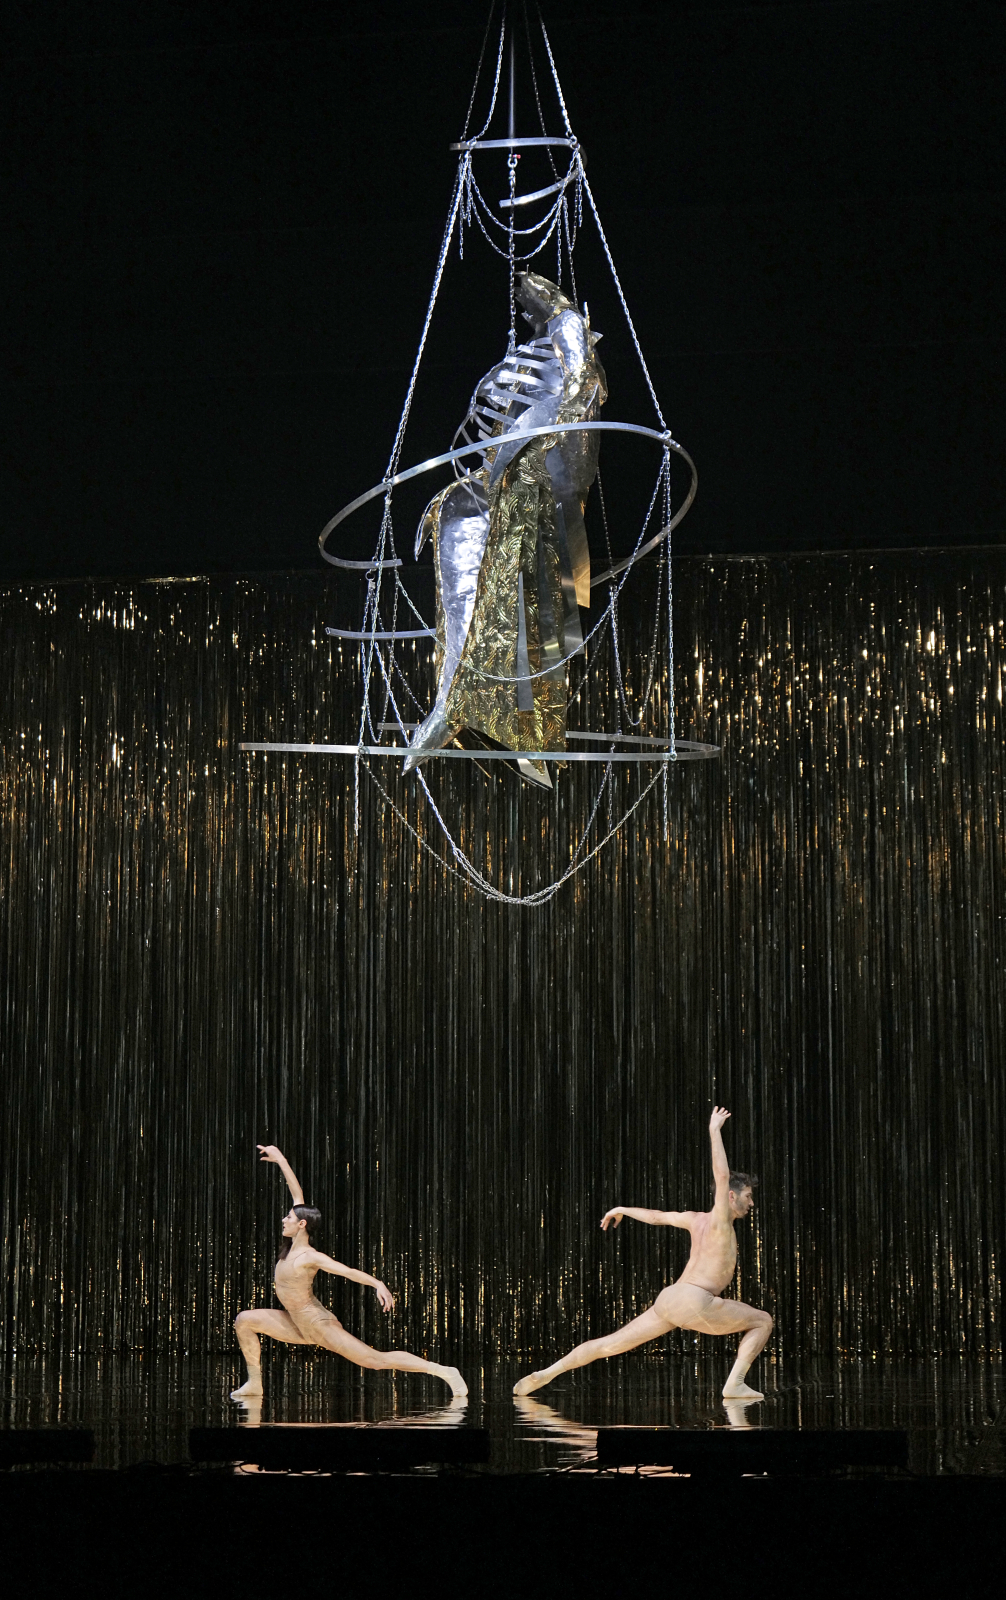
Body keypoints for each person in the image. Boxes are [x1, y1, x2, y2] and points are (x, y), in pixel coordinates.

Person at [513, 1107, 772, 1400]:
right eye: (749, 1196)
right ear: (731, 1197)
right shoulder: (720, 1220)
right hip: (695, 1298)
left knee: (609, 1344)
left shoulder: (694, 1219)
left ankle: (547, 1373)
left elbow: (657, 1217)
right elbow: (721, 1175)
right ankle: (735, 1384)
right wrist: (714, 1130)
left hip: (670, 1298)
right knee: (763, 1321)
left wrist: (622, 1209)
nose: (752, 1203)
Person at [231, 1144, 467, 1400]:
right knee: (244, 1320)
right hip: (295, 1323)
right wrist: (281, 1160)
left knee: (374, 1360)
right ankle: (255, 1383)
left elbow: (348, 1271)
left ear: (302, 1224)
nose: (284, 1220)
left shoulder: (310, 1256)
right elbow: (296, 1192)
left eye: (288, 1217)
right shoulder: (291, 1244)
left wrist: (377, 1283)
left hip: (317, 1324)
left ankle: (445, 1371)